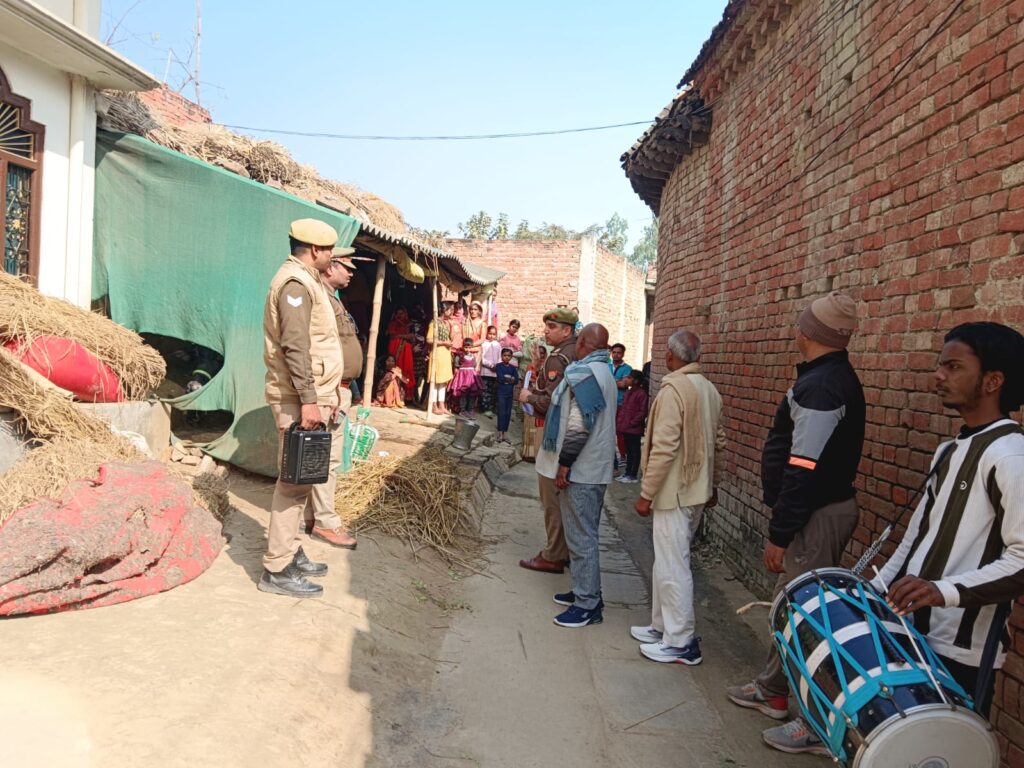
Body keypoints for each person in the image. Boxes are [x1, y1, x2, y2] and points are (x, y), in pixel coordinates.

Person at [725, 290, 864, 755]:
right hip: (813, 513)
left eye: (801, 323)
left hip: (814, 517)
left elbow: (803, 467)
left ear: (809, 332)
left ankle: (817, 723)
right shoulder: (822, 378)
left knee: (808, 618)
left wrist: (780, 533)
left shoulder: (823, 386)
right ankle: (773, 688)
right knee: (791, 608)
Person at [875, 322, 1024, 720]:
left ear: (992, 381)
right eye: (940, 365)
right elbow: (916, 539)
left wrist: (942, 592)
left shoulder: (1011, 456)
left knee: (946, 747)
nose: (938, 376)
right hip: (911, 631)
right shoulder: (948, 449)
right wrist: (872, 594)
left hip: (961, 652)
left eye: (954, 367)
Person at [259, 218, 347, 598]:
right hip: (297, 400)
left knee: (302, 480)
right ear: (315, 250)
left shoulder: (306, 280)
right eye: (329, 251)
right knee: (293, 483)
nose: (332, 258)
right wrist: (309, 400)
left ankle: (290, 552)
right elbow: (295, 346)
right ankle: (277, 569)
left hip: (308, 397)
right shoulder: (295, 284)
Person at [632, 330, 725, 665]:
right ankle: (662, 627)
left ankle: (680, 641)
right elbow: (719, 443)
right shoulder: (709, 389)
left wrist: (646, 493)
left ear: (671, 356)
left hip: (675, 491)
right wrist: (714, 484)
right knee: (667, 560)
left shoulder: (674, 389)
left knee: (673, 564)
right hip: (696, 489)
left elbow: (664, 447)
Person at [540, 323, 617, 627]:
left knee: (582, 538)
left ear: (583, 342)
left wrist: (565, 464)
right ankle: (587, 591)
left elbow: (580, 424)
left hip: (582, 470)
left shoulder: (584, 372)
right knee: (584, 534)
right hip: (594, 468)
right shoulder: (605, 371)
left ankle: (587, 606)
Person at [298, 248, 361, 550]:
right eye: (347, 267)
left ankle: (311, 516)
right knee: (326, 459)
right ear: (330, 266)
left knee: (323, 457)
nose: (351, 273)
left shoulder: (333, 299)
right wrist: (332, 391)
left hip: (340, 388)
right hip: (330, 389)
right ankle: (325, 521)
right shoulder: (318, 298)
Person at [518, 309, 578, 574]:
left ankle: (554, 554)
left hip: (556, 432)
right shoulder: (577, 352)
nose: (546, 331)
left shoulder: (559, 358)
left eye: (552, 327)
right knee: (564, 499)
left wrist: (528, 397)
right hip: (573, 435)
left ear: (567, 330)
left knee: (551, 496)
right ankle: (564, 551)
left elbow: (549, 402)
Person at [615, 369, 649, 484]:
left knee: (634, 451)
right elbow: (624, 409)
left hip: (634, 429)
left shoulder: (641, 394)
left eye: (629, 378)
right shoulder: (628, 392)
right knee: (629, 451)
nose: (626, 379)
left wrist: (632, 423)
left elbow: (642, 412)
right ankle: (627, 473)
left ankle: (632, 475)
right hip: (626, 427)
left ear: (636, 381)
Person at [426, 302, 456, 415]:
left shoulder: (446, 323)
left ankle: (441, 405)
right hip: (438, 353)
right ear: (444, 310)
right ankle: (433, 405)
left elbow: (451, 338)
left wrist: (452, 327)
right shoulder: (434, 322)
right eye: (450, 309)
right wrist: (443, 343)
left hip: (445, 354)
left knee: (443, 381)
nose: (451, 311)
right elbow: (429, 339)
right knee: (435, 380)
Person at [520, 342, 548, 461]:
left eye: (542, 353)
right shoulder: (530, 366)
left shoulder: (548, 367)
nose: (540, 355)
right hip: (529, 397)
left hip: (539, 398)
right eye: (538, 353)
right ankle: (527, 453)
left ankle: (535, 453)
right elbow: (527, 382)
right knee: (529, 424)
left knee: (538, 427)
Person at [386, 307, 417, 402]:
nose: (400, 315)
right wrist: (404, 336)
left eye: (402, 313)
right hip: (396, 349)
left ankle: (406, 396)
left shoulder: (409, 324)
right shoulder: (393, 323)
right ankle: (394, 396)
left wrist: (400, 336)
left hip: (407, 351)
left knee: (407, 369)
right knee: (395, 369)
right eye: (398, 313)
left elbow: (413, 336)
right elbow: (392, 335)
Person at [448, 337, 484, 418]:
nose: (468, 349)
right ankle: (462, 410)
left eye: (469, 347)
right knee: (463, 394)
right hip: (462, 378)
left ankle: (470, 410)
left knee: (472, 394)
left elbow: (474, 365)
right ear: (463, 347)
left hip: (471, 378)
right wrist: (456, 378)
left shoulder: (473, 356)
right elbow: (456, 367)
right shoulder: (460, 356)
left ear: (472, 347)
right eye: (466, 347)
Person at [495, 347, 518, 444]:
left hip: (509, 393)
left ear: (511, 357)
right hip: (501, 392)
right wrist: (510, 379)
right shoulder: (499, 366)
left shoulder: (513, 368)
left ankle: (505, 433)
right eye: (505, 355)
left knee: (508, 413)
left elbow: (516, 380)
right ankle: (500, 433)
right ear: (501, 356)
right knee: (501, 412)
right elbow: (500, 378)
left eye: (509, 356)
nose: (507, 357)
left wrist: (507, 378)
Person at [480, 325, 501, 417]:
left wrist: (498, 365)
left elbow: (500, 356)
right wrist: (490, 365)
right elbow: (482, 358)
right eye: (490, 333)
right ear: (486, 333)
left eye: (494, 334)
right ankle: (485, 408)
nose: (492, 336)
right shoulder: (483, 344)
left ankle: (491, 408)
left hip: (495, 373)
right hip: (485, 371)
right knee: (485, 391)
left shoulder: (498, 345)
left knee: (492, 391)